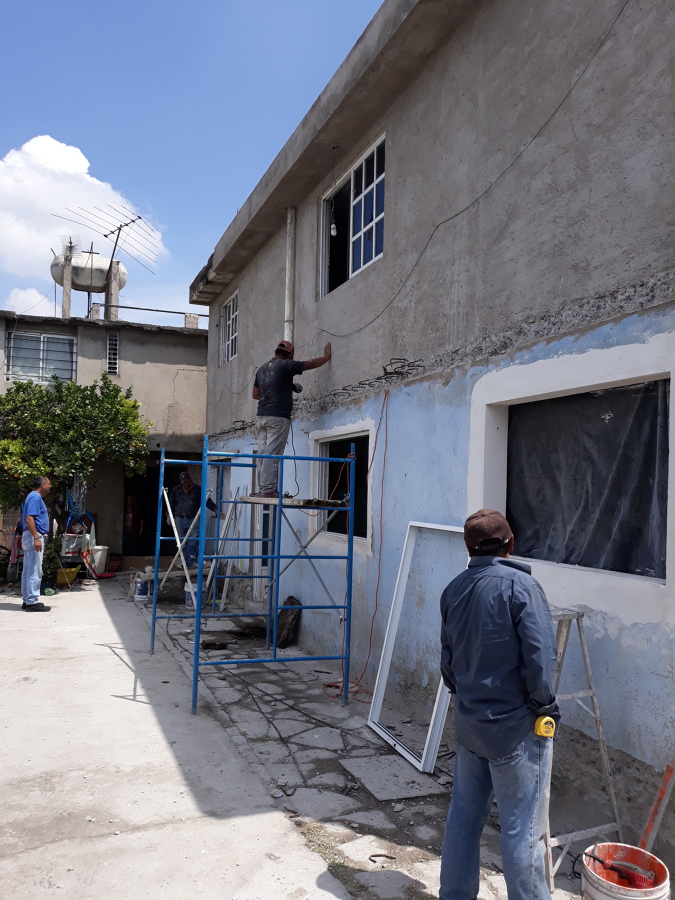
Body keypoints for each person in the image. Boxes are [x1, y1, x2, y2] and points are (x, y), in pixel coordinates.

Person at [439, 509, 559, 900]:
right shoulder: (522, 588)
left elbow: (448, 666)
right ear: (511, 544)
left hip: (471, 726)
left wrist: (470, 699)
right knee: (522, 830)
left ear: (468, 548)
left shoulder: (453, 589)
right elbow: (540, 660)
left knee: (464, 818)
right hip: (514, 731)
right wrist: (544, 706)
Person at [252, 339, 332, 497]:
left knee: (261, 453)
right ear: (290, 355)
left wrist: (285, 387)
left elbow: (255, 395)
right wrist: (326, 357)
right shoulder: (285, 365)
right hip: (277, 417)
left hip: (261, 417)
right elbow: (309, 364)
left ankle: (262, 489)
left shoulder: (261, 369)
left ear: (276, 352)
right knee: (272, 454)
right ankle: (268, 490)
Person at [168, 472, 217, 566]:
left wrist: (216, 510)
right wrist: (169, 515)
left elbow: (207, 501)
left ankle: (191, 561)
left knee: (192, 541)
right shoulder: (176, 490)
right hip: (180, 519)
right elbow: (171, 503)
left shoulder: (198, 490)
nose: (185, 484)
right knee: (181, 542)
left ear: (190, 479)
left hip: (193, 519)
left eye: (186, 482)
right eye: (183, 482)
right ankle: (184, 561)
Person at [21, 475, 53, 612]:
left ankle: (27, 600)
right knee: (34, 569)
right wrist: (36, 538)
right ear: (43, 485)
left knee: (28, 569)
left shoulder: (32, 497)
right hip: (34, 536)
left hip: (30, 536)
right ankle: (32, 602)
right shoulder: (35, 497)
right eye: (49, 484)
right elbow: (29, 519)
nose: (50, 486)